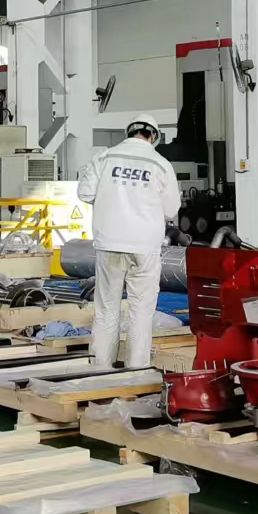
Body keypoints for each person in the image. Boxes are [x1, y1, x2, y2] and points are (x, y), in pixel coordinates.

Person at [76, 119, 182, 371]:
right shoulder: (160, 164)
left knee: (106, 310)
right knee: (141, 312)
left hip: (109, 243)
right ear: (153, 136)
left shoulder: (105, 158)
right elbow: (171, 209)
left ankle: (101, 369)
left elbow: (85, 193)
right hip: (145, 247)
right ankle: (137, 371)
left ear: (129, 133)